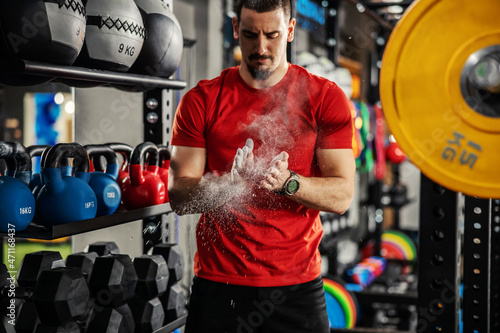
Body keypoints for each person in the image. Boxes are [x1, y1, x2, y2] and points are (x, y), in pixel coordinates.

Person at [168, 0, 355, 332]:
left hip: (296, 289)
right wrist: (228, 185)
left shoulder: (324, 98)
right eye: (251, 34)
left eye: (272, 34)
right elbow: (180, 197)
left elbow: (341, 196)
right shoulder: (202, 101)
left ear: (291, 31)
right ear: (236, 29)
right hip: (219, 288)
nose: (262, 47)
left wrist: (288, 182)